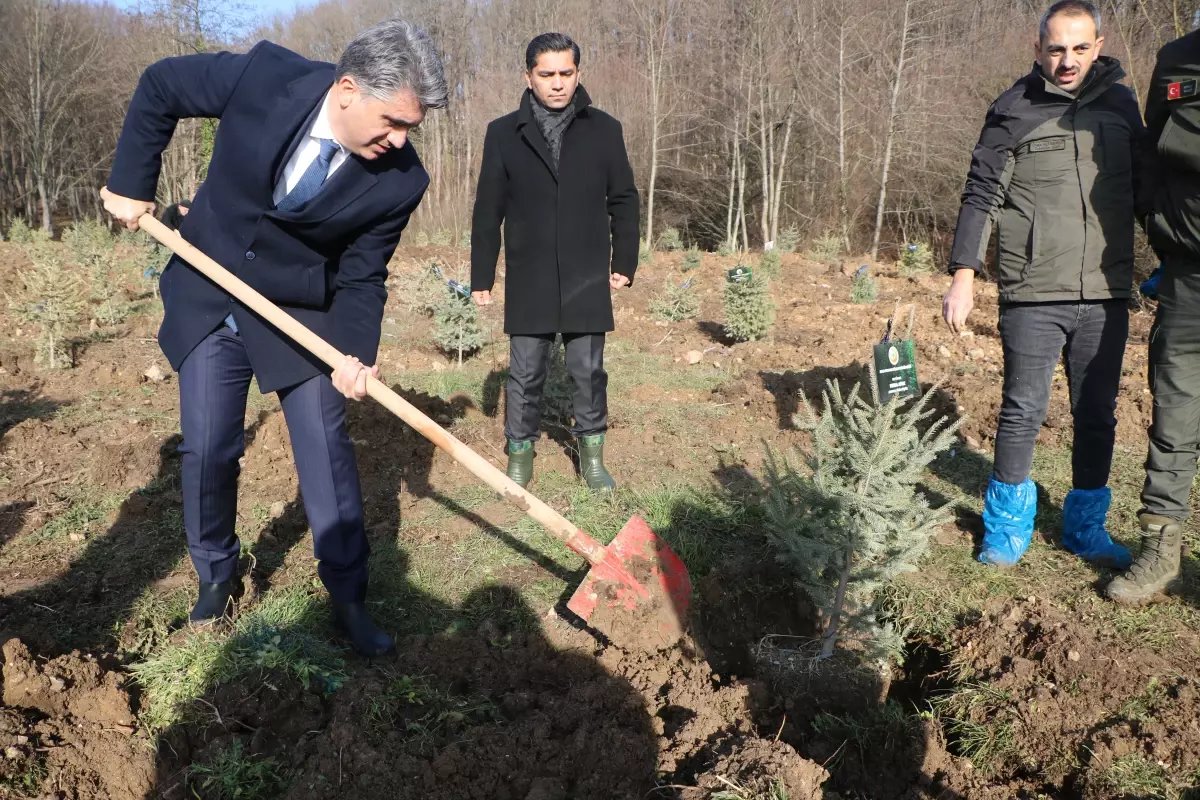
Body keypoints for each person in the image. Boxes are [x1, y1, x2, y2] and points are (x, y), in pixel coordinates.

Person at [99, 19, 448, 656]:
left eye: (410, 128)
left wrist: (355, 354)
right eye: (392, 122)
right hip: (209, 288)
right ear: (348, 90)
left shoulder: (401, 178)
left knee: (325, 448)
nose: (399, 141)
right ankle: (216, 575)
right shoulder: (264, 76)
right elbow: (161, 86)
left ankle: (348, 594)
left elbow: (364, 274)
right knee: (209, 446)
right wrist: (131, 182)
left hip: (300, 312)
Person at [942, 0, 1142, 568]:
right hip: (1032, 292)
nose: (1067, 60)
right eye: (1056, 49)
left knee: (1098, 413)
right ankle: (1006, 528)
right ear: (1038, 50)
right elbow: (981, 192)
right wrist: (963, 276)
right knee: (1022, 410)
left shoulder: (1122, 107)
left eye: (1079, 48)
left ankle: (1085, 528)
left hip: (1105, 290)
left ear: (1098, 46)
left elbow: (1149, 189)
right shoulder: (1014, 109)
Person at [470, 32, 639, 491]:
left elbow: (624, 198)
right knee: (525, 370)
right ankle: (519, 454)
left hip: (587, 269)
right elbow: (488, 208)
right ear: (529, 77)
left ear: (578, 73)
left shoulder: (605, 129)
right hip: (530, 271)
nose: (558, 83)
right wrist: (482, 274)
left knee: (588, 369)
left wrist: (624, 258)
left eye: (566, 73)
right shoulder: (503, 133)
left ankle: (592, 456)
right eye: (547, 74)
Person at [1106, 24, 1200, 604]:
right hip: (1187, 275)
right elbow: (1150, 150)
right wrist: (1155, 220)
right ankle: (1162, 551)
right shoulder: (1178, 59)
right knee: (1174, 414)